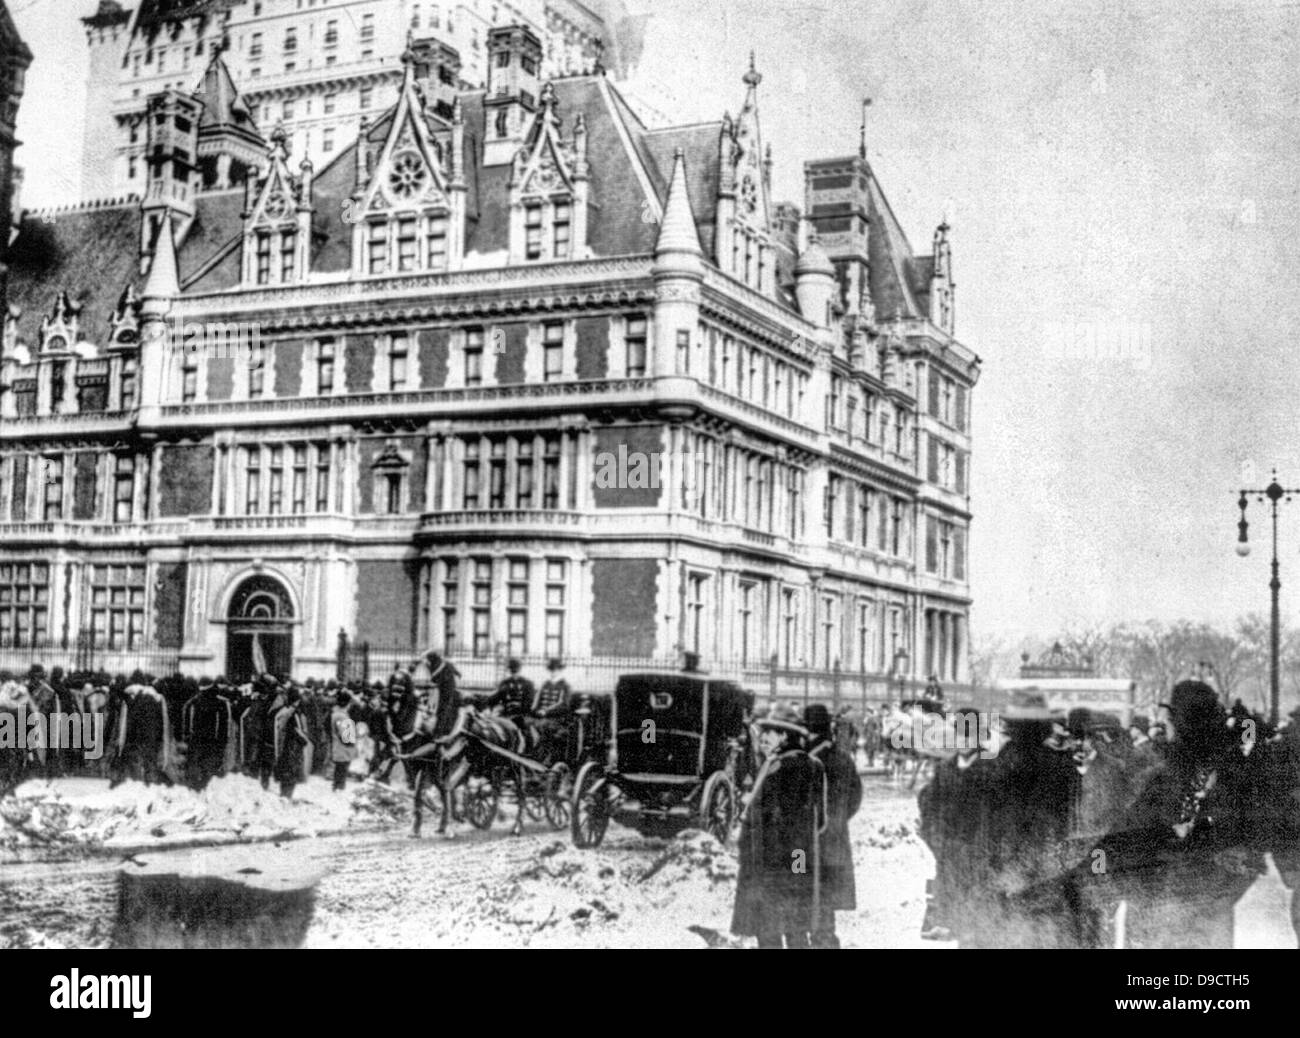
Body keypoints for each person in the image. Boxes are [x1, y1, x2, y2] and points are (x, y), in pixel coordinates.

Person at [1084, 680, 1267, 948]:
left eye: (1170, 718)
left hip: (1158, 919)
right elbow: (1252, 856)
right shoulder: (1234, 774)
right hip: (1207, 922)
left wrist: (1099, 872)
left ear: (1179, 722)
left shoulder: (1161, 777)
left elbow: (1114, 845)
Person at [731, 703, 822, 949]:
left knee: (768, 924)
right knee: (796, 921)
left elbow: (766, 818)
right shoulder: (814, 765)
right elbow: (819, 820)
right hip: (799, 855)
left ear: (783, 736)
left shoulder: (776, 767)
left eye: (768, 733)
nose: (762, 738)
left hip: (770, 859)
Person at [804, 704, 863, 948]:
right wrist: (837, 821)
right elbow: (855, 797)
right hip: (834, 842)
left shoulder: (805, 759)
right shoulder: (843, 758)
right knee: (826, 893)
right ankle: (825, 940)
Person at [273, 686, 312, 799]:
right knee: (291, 772)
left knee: (287, 771)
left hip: (286, 747)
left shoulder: (285, 711)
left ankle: (284, 794)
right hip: (293, 747)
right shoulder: (294, 713)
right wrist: (304, 739)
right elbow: (299, 732)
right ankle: (286, 795)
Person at [531, 658, 572, 763]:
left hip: (557, 719)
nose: (553, 672)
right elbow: (536, 702)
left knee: (544, 727)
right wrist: (535, 711)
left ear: (560, 670)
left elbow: (564, 705)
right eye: (551, 670)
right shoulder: (545, 684)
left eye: (556, 670)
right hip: (541, 718)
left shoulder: (565, 686)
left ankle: (544, 758)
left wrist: (547, 712)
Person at [330, 690, 358, 792]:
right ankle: (338, 790)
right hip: (344, 749)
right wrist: (354, 740)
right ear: (348, 704)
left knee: (339, 770)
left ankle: (336, 788)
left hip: (338, 747)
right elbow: (347, 737)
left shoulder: (335, 714)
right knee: (342, 770)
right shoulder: (343, 716)